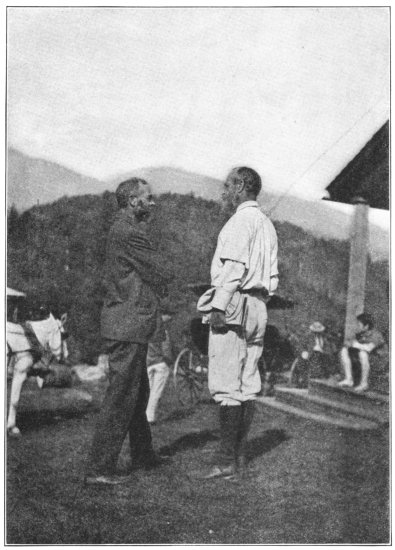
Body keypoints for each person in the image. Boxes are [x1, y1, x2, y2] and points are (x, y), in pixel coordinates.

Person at [85, 178, 173, 486]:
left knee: (138, 393)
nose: (152, 203)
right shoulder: (130, 233)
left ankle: (143, 455)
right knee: (122, 397)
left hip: (125, 323)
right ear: (133, 202)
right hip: (129, 324)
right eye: (148, 198)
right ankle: (98, 468)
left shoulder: (121, 230)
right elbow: (163, 272)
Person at [197, 166, 279, 480]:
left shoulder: (238, 222)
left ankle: (224, 461)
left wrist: (219, 306)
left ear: (241, 186)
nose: (224, 191)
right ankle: (239, 457)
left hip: (234, 304)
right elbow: (272, 279)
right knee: (248, 382)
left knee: (227, 384)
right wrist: (258, 303)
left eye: (227, 185)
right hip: (258, 306)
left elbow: (232, 268)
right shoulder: (267, 225)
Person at [338, 313, 388, 392]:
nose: (357, 326)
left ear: (366, 326)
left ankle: (364, 384)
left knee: (363, 353)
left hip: (379, 361)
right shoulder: (361, 334)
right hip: (368, 358)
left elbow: (368, 348)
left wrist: (354, 344)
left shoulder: (376, 335)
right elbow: (350, 343)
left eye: (359, 324)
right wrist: (350, 344)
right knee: (344, 350)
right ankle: (349, 379)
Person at [146, 309, 174, 424]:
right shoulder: (163, 332)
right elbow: (166, 350)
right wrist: (169, 361)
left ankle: (143, 416)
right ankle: (150, 417)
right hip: (160, 363)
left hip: (148, 363)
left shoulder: (147, 331)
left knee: (147, 390)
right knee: (156, 392)